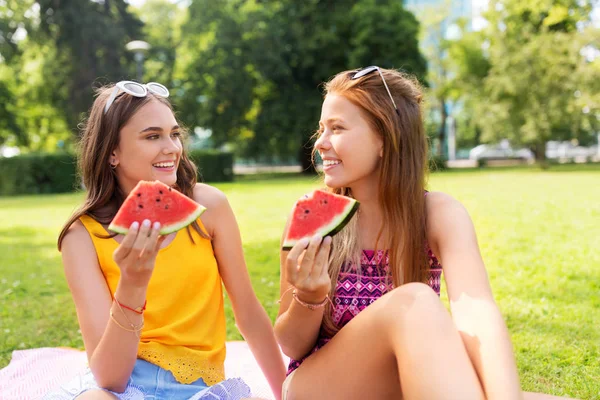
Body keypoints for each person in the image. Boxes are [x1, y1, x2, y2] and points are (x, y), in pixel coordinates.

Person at [274, 67, 524, 400]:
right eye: (322, 129)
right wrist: (310, 297)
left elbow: (477, 312)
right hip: (316, 387)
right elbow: (292, 345)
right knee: (416, 301)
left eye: (337, 128)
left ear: (385, 139)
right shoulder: (312, 215)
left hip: (399, 384)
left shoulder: (439, 213)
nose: (320, 143)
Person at [45, 81, 286, 400]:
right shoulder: (82, 235)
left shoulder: (208, 208)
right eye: (152, 136)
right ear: (112, 152)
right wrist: (132, 284)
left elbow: (249, 314)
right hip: (122, 387)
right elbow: (109, 378)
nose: (172, 147)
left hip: (202, 388)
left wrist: (285, 393)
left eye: (174, 134)